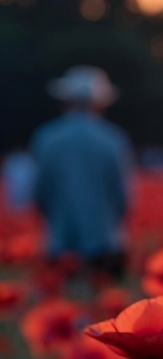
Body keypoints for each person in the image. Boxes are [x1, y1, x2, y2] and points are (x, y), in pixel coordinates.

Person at [32, 66, 132, 278]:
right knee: (102, 306)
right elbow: (122, 198)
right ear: (99, 104)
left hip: (60, 243)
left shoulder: (47, 138)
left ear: (66, 101)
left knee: (64, 303)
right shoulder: (112, 139)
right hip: (105, 242)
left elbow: (40, 193)